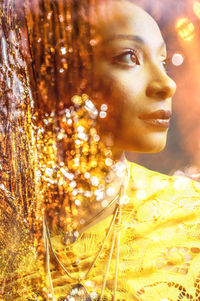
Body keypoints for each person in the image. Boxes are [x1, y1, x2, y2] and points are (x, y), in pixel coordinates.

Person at [1, 0, 200, 300]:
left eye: (163, 62)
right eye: (129, 57)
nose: (166, 84)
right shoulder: (12, 223)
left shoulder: (190, 219)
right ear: (60, 77)